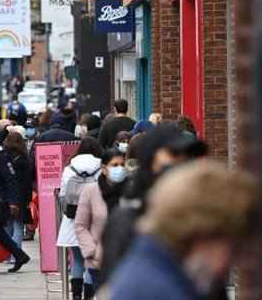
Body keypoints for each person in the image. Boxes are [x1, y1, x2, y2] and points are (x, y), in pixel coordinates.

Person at [107, 162, 258, 300]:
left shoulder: (148, 274)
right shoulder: (163, 291)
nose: (234, 261)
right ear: (202, 232)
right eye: (233, 248)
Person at [98, 124, 198, 284]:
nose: (181, 160)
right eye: (174, 153)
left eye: (186, 155)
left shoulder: (197, 215)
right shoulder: (128, 217)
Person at [74, 149, 128, 293]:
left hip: (127, 260)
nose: (120, 169)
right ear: (104, 169)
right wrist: (92, 251)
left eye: (123, 165)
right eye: (115, 165)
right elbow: (80, 225)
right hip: (99, 262)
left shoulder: (131, 190)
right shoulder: (91, 191)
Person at [56, 137, 103, 300]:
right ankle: (88, 296)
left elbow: (63, 195)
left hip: (73, 219)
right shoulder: (101, 166)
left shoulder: (70, 167)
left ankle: (75, 295)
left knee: (76, 259)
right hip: (94, 219)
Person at [0, 130, 34, 266]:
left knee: (8, 226)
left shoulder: (5, 157)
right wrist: (28, 198)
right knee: (18, 226)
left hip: (7, 195)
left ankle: (9, 254)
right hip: (21, 196)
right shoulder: (24, 159)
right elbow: (27, 182)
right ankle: (16, 254)